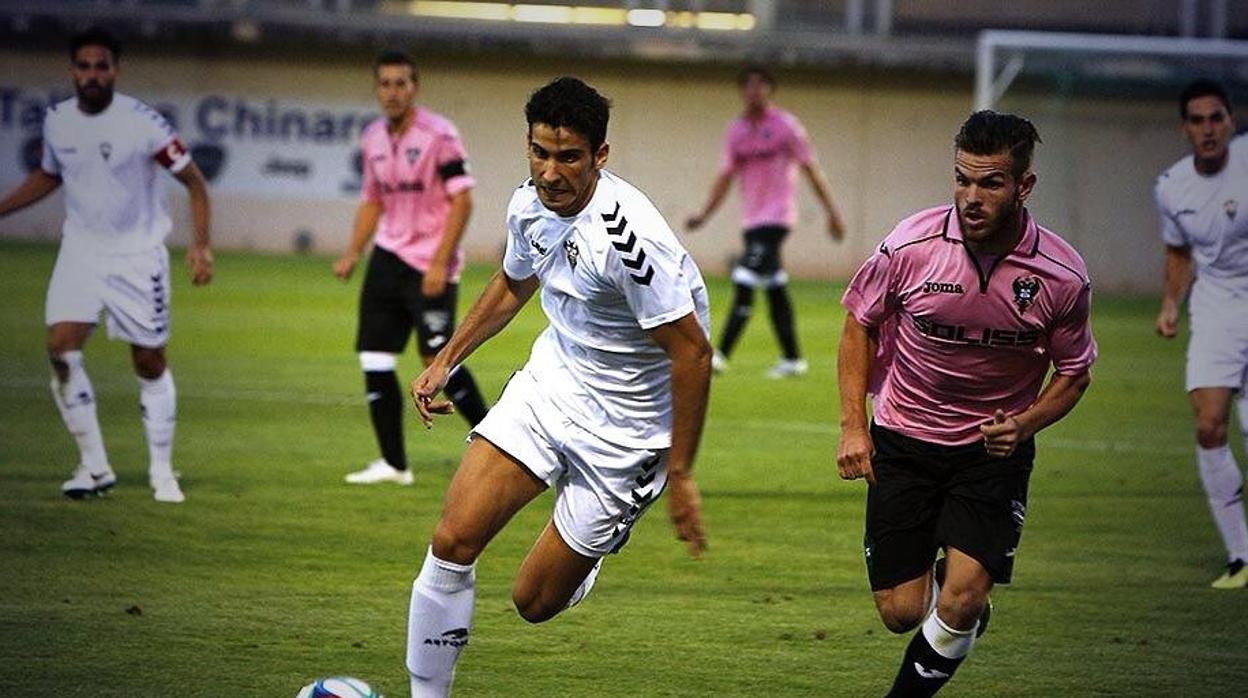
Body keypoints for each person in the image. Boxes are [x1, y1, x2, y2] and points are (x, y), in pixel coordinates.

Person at [403, 77, 710, 697]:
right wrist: (447, 358)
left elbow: (694, 354)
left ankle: (581, 560)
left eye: (568, 157)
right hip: (551, 390)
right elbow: (515, 282)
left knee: (533, 601)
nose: (550, 172)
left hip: (627, 435)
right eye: (539, 153)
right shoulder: (527, 204)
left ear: (600, 155)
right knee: (451, 541)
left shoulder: (632, 242)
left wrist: (679, 474)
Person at [836, 111, 1097, 696]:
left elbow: (1076, 371)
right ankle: (959, 597)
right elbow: (859, 324)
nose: (971, 197)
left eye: (990, 183)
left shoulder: (1061, 277)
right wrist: (854, 426)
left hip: (990, 453)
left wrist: (1025, 424)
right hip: (902, 438)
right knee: (901, 612)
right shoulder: (911, 246)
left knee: (962, 594)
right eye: (962, 180)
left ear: (1023, 186)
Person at [0, 28, 213, 504]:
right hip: (80, 252)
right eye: (84, 66)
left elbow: (195, 182)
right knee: (60, 348)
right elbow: (48, 176)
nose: (92, 74)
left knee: (149, 360)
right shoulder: (58, 122)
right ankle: (93, 466)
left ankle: (162, 471)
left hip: (138, 257)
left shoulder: (143, 125)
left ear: (116, 70)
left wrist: (201, 246)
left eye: (102, 66)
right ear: (72, 71)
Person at [333, 50, 489, 486]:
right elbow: (372, 200)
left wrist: (439, 262)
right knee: (375, 355)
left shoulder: (439, 135)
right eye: (384, 83)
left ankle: (498, 448)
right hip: (387, 257)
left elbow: (463, 199)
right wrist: (351, 252)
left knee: (439, 357)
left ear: (414, 88)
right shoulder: (372, 138)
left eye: (401, 83)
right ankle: (394, 465)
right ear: (377, 89)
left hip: (430, 262)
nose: (392, 92)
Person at [686, 65, 846, 378]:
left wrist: (833, 213)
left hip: (778, 217)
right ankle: (792, 359)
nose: (754, 91)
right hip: (751, 220)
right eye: (748, 85)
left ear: (770, 90)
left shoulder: (786, 126)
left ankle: (719, 354)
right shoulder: (737, 131)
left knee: (744, 278)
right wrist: (704, 215)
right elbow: (725, 177)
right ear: (741, 90)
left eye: (760, 85)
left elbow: (811, 169)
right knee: (774, 287)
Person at [1154, 79, 1248, 590]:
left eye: (1216, 118)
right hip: (1215, 307)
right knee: (1210, 426)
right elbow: (1178, 251)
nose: (1208, 128)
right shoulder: (1171, 186)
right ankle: (1240, 555)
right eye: (1197, 120)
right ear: (1184, 128)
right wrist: (1172, 302)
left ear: (1231, 121)